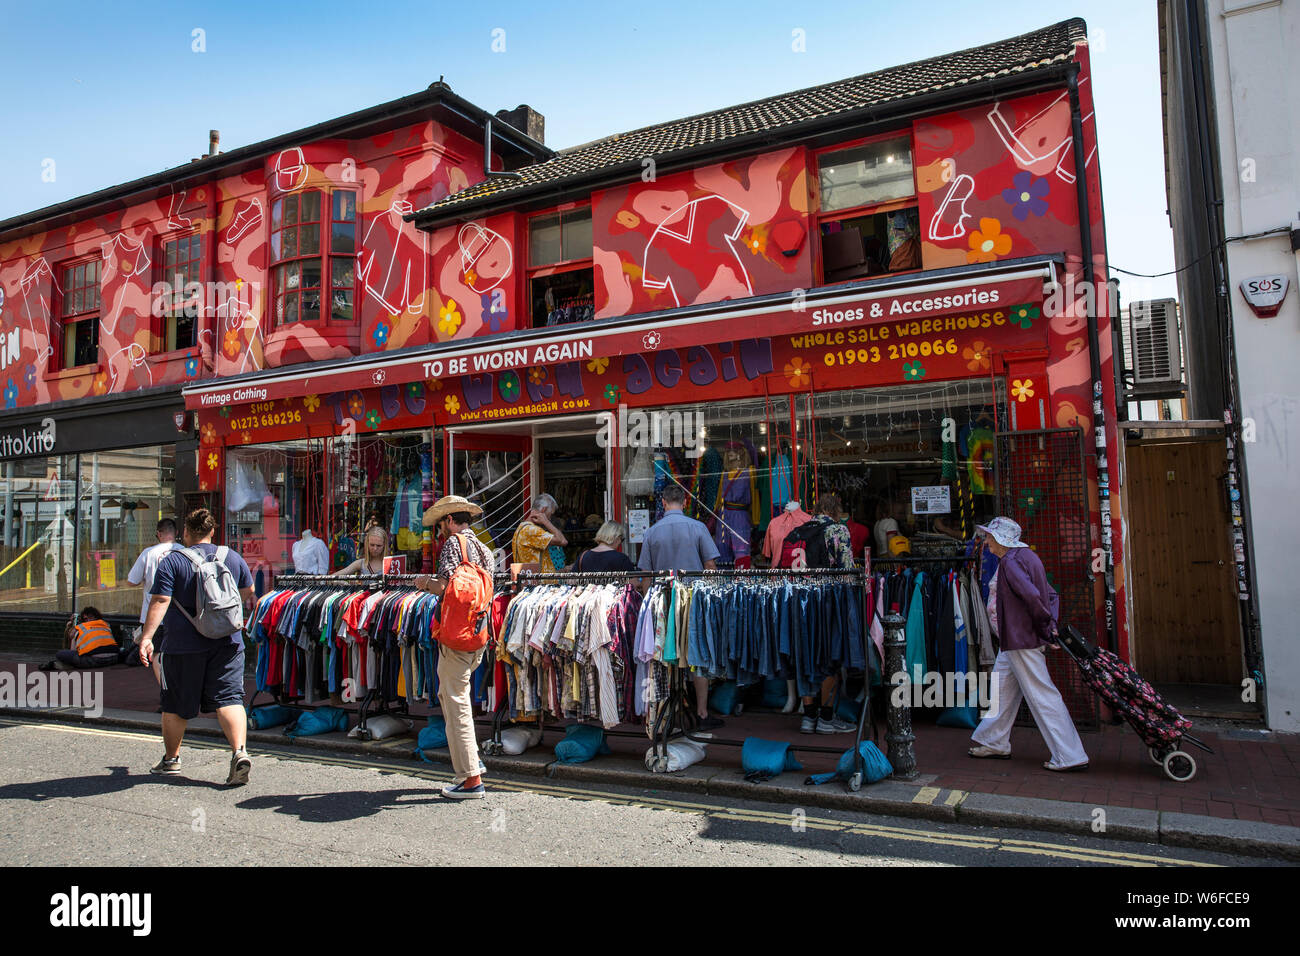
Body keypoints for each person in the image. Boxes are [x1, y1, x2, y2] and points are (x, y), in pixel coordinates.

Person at [138, 508, 256, 785]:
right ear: (212, 531)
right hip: (228, 641)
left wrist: (146, 638)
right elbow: (248, 593)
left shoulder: (173, 561)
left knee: (176, 705)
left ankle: (171, 760)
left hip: (183, 645)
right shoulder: (232, 557)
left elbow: (160, 601)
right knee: (229, 699)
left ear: (187, 533)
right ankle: (239, 752)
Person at [967, 517, 1089, 772]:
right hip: (1015, 638)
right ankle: (994, 740)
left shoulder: (1011, 562)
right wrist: (1049, 625)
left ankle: (1069, 754)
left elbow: (1033, 597)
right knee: (1003, 689)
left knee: (1041, 693)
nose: (986, 541)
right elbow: (1049, 593)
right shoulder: (1025, 558)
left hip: (1020, 637)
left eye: (989, 536)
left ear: (1001, 539)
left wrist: (1047, 629)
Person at [415, 495, 496, 800]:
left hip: (456, 636)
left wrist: (423, 583)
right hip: (477, 635)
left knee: (455, 702)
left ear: (450, 520)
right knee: (455, 697)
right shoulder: (485, 549)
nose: (441, 529)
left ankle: (470, 778)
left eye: (442, 523)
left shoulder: (453, 544)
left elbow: (447, 587)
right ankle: (471, 760)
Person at [636, 483, 723, 730]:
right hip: (694, 600)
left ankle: (674, 710)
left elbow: (646, 575)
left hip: (663, 601)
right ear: (684, 502)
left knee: (668, 655)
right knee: (696, 655)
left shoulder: (652, 532)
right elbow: (710, 567)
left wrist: (647, 605)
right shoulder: (698, 528)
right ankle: (702, 713)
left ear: (663, 503)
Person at [792, 495, 856, 734]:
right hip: (828, 599)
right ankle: (827, 718)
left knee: (806, 656)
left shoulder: (800, 531)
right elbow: (846, 567)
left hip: (799, 600)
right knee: (830, 656)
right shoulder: (838, 529)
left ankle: (808, 718)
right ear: (836, 510)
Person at [127, 517, 179, 683]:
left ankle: (166, 694)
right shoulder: (186, 552)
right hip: (180, 615)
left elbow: (131, 581)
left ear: (158, 534)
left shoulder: (149, 553)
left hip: (152, 615)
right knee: (179, 654)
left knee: (156, 654)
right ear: (176, 533)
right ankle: (180, 692)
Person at [511, 493, 568, 571]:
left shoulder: (523, 528)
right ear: (543, 510)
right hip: (539, 582)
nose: (550, 518)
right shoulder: (531, 530)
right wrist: (546, 522)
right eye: (550, 514)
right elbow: (562, 541)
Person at [49, 606, 119, 670]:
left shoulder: (80, 628)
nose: (88, 620)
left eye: (90, 617)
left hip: (94, 660)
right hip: (114, 658)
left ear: (96, 617)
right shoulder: (106, 625)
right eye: (86, 619)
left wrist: (72, 627)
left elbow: (72, 651)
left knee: (60, 654)